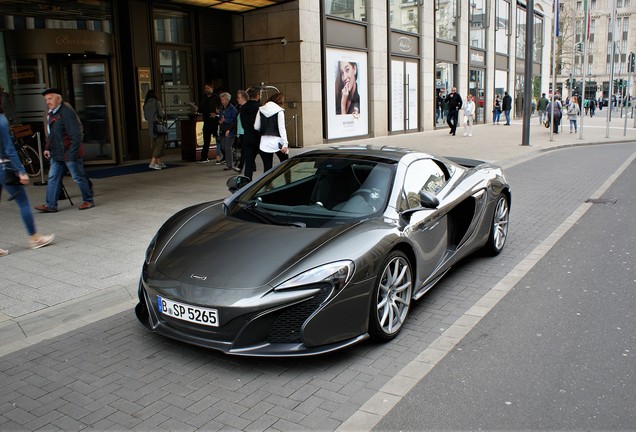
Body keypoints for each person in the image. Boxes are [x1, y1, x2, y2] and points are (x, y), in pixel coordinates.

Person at [0, 95, 54, 255]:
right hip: (5, 166)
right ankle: (34, 238)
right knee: (23, 202)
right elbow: (9, 148)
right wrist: (21, 171)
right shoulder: (1, 120)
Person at [34, 88, 94, 212]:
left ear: (58, 98)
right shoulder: (51, 113)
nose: (47, 102)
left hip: (69, 152)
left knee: (78, 177)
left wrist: (72, 154)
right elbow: (52, 134)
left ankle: (88, 200)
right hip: (57, 153)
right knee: (53, 178)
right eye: (46, 100)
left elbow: (76, 135)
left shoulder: (66, 112)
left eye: (50, 99)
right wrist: (47, 148)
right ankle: (51, 205)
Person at [255, 92, 289, 172]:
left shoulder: (261, 110)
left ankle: (267, 184)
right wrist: (285, 143)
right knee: (285, 165)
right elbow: (282, 129)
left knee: (267, 169)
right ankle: (288, 183)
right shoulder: (279, 111)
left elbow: (256, 126)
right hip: (277, 142)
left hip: (264, 142)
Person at [190, 83, 221, 163]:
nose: (206, 90)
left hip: (215, 121)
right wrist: (194, 108)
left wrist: (216, 114)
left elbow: (221, 108)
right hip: (206, 120)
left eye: (208, 88)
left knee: (218, 139)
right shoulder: (204, 98)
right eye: (205, 88)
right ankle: (204, 157)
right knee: (206, 139)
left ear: (212, 88)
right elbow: (200, 109)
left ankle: (222, 155)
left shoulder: (216, 97)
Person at [239, 87, 261, 180]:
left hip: (247, 136)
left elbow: (242, 122)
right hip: (259, 137)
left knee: (249, 164)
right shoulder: (260, 107)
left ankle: (247, 182)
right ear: (258, 95)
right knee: (267, 162)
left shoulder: (243, 108)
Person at [142, 89, 166, 170]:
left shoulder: (145, 105)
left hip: (151, 126)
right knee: (159, 145)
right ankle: (152, 162)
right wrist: (163, 112)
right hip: (158, 126)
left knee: (156, 144)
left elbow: (145, 117)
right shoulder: (157, 102)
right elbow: (161, 114)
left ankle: (158, 162)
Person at [217, 92, 239, 172]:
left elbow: (234, 120)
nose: (222, 101)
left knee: (227, 147)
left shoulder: (232, 109)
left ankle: (229, 165)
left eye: (223, 100)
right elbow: (220, 116)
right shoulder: (222, 108)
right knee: (223, 146)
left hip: (230, 129)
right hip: (223, 128)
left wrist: (225, 120)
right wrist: (220, 121)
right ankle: (236, 158)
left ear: (227, 100)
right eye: (221, 100)